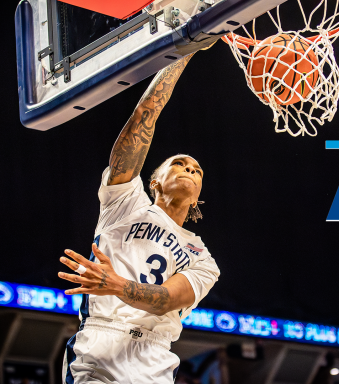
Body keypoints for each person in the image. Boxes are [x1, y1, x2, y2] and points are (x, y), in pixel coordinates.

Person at [58, 52, 220, 384]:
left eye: (196, 170)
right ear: (155, 180)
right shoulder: (125, 202)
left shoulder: (203, 259)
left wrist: (117, 286)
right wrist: (185, 49)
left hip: (155, 357)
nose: (190, 169)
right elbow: (145, 114)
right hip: (100, 345)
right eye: (180, 164)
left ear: (199, 196)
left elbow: (168, 300)